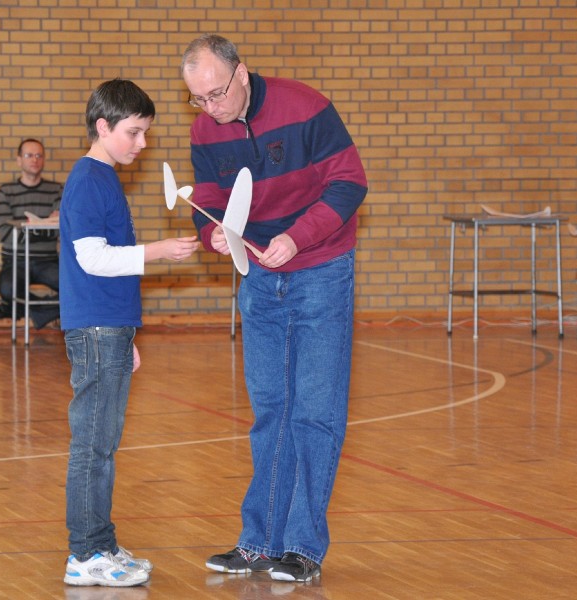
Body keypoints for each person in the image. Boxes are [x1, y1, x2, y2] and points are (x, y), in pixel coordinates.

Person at [181, 34, 368, 582]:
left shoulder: (306, 107)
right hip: (259, 277)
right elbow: (208, 197)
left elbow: (349, 183)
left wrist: (297, 237)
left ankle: (303, 547)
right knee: (271, 411)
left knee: (314, 410)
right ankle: (260, 542)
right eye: (198, 99)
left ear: (241, 73)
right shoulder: (204, 129)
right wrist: (212, 231)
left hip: (321, 270)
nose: (210, 108)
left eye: (217, 94)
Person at [58, 79, 199, 587]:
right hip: (97, 328)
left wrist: (127, 337)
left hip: (109, 328)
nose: (142, 143)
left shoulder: (104, 178)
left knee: (103, 443)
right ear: (103, 126)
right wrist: (159, 251)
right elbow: (92, 259)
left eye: (145, 133)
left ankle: (101, 543)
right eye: (134, 133)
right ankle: (85, 555)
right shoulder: (88, 180)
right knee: (93, 446)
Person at [0, 138, 62, 329]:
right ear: (19, 160)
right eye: (29, 155)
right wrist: (44, 228)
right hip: (15, 261)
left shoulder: (57, 190)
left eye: (39, 155)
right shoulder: (6, 191)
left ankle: (15, 308)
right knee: (7, 288)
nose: (35, 159)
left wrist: (27, 229)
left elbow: (62, 228)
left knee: (76, 286)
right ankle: (44, 312)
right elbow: (5, 235)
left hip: (47, 262)